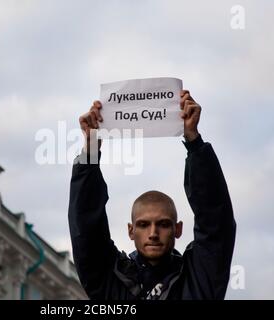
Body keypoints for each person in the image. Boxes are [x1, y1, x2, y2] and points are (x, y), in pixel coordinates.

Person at [68, 90, 236, 300]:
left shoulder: (199, 278)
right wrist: (91, 151)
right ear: (131, 230)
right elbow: (85, 227)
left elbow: (216, 222)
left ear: (178, 229)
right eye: (143, 224)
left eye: (164, 224)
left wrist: (194, 141)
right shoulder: (110, 279)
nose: (153, 233)